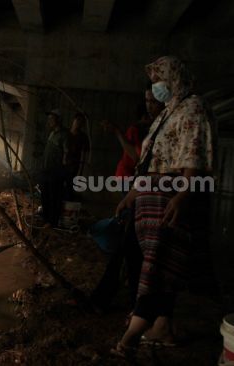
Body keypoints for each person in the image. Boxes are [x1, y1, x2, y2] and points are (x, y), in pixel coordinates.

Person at [111, 56, 213, 358]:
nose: (156, 88)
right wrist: (132, 194)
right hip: (152, 197)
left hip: (169, 197)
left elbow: (192, 153)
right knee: (159, 267)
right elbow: (150, 160)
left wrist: (182, 196)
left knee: (155, 268)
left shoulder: (193, 108)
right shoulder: (169, 112)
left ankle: (130, 337)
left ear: (174, 80)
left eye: (160, 81)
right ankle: (162, 327)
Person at [90, 89, 164, 312]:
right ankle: (127, 303)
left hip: (149, 194)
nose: (150, 105)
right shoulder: (151, 131)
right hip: (139, 190)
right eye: (147, 101)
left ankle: (120, 303)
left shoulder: (155, 130)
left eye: (154, 101)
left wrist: (118, 133)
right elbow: (144, 166)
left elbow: (141, 161)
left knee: (131, 249)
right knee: (129, 248)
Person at [40, 109, 67, 227]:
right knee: (45, 194)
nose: (49, 121)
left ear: (59, 120)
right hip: (46, 169)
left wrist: (64, 169)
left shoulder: (65, 135)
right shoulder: (52, 133)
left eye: (52, 118)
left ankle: (52, 222)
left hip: (56, 171)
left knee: (54, 197)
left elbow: (67, 153)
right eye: (49, 118)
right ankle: (45, 218)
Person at [64, 112, 90, 200]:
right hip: (61, 165)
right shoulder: (65, 133)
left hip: (73, 167)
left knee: (69, 188)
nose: (79, 123)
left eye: (81, 122)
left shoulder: (83, 137)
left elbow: (84, 155)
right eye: (78, 120)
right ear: (73, 120)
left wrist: (80, 171)